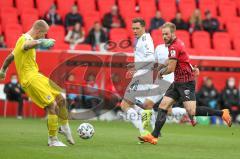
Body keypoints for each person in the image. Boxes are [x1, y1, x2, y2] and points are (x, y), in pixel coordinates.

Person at [139, 22, 232, 145]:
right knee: (163, 106)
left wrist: (162, 72)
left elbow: (171, 68)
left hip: (186, 83)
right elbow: (182, 59)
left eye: (166, 34)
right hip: (177, 82)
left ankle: (222, 113)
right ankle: (154, 136)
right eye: (163, 34)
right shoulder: (176, 44)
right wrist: (188, 67)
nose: (164, 36)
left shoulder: (174, 47)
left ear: (173, 33)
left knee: (192, 111)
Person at [0, 20, 74, 147]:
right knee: (52, 105)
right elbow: (27, 45)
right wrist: (40, 42)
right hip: (30, 79)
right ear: (38, 32)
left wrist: (3, 70)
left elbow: (10, 57)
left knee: (61, 99)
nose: (44, 37)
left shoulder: (21, 41)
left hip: (37, 75)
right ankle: (53, 140)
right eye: (44, 34)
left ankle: (65, 128)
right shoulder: (25, 39)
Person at [120, 17, 155, 136]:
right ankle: (151, 125)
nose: (134, 31)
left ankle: (144, 132)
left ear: (143, 28)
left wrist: (136, 68)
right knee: (138, 105)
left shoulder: (146, 40)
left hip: (142, 77)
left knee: (125, 105)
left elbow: (151, 59)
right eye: (133, 28)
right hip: (142, 76)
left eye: (137, 28)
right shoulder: (140, 39)